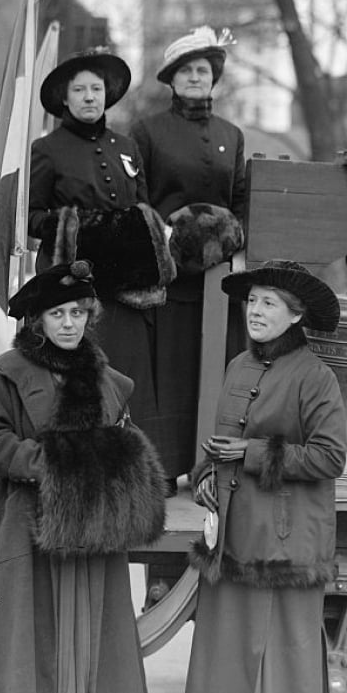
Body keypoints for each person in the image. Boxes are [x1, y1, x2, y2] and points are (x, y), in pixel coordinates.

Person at [0, 260, 168, 693]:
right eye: (57, 314)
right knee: (30, 631)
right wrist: (49, 463)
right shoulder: (10, 374)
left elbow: (127, 445)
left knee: (92, 632)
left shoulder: (109, 382)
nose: (69, 324)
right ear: (38, 321)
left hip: (94, 533)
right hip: (26, 528)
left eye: (77, 313)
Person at [180, 259, 347, 693]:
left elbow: (330, 457)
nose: (255, 311)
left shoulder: (315, 376)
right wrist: (206, 476)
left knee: (282, 663)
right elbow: (221, 443)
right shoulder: (238, 365)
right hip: (232, 538)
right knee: (225, 659)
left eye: (269, 303)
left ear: (296, 315)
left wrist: (253, 453)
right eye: (252, 301)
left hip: (284, 545)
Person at [28, 47, 175, 472]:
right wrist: (78, 228)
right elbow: (31, 216)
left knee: (127, 380)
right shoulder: (47, 149)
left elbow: (144, 210)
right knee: (80, 384)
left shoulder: (126, 147)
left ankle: (131, 472)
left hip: (125, 292)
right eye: (80, 90)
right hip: (72, 291)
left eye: (96, 89)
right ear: (65, 98)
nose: (90, 97)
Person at [129, 26, 247, 496]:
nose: (196, 77)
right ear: (171, 80)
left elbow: (242, 201)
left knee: (216, 370)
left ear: (214, 78)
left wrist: (233, 243)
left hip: (219, 282)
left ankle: (211, 468)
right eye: (186, 71)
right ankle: (162, 466)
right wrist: (167, 240)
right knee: (169, 371)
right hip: (169, 276)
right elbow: (139, 199)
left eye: (203, 70)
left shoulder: (231, 136)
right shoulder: (147, 132)